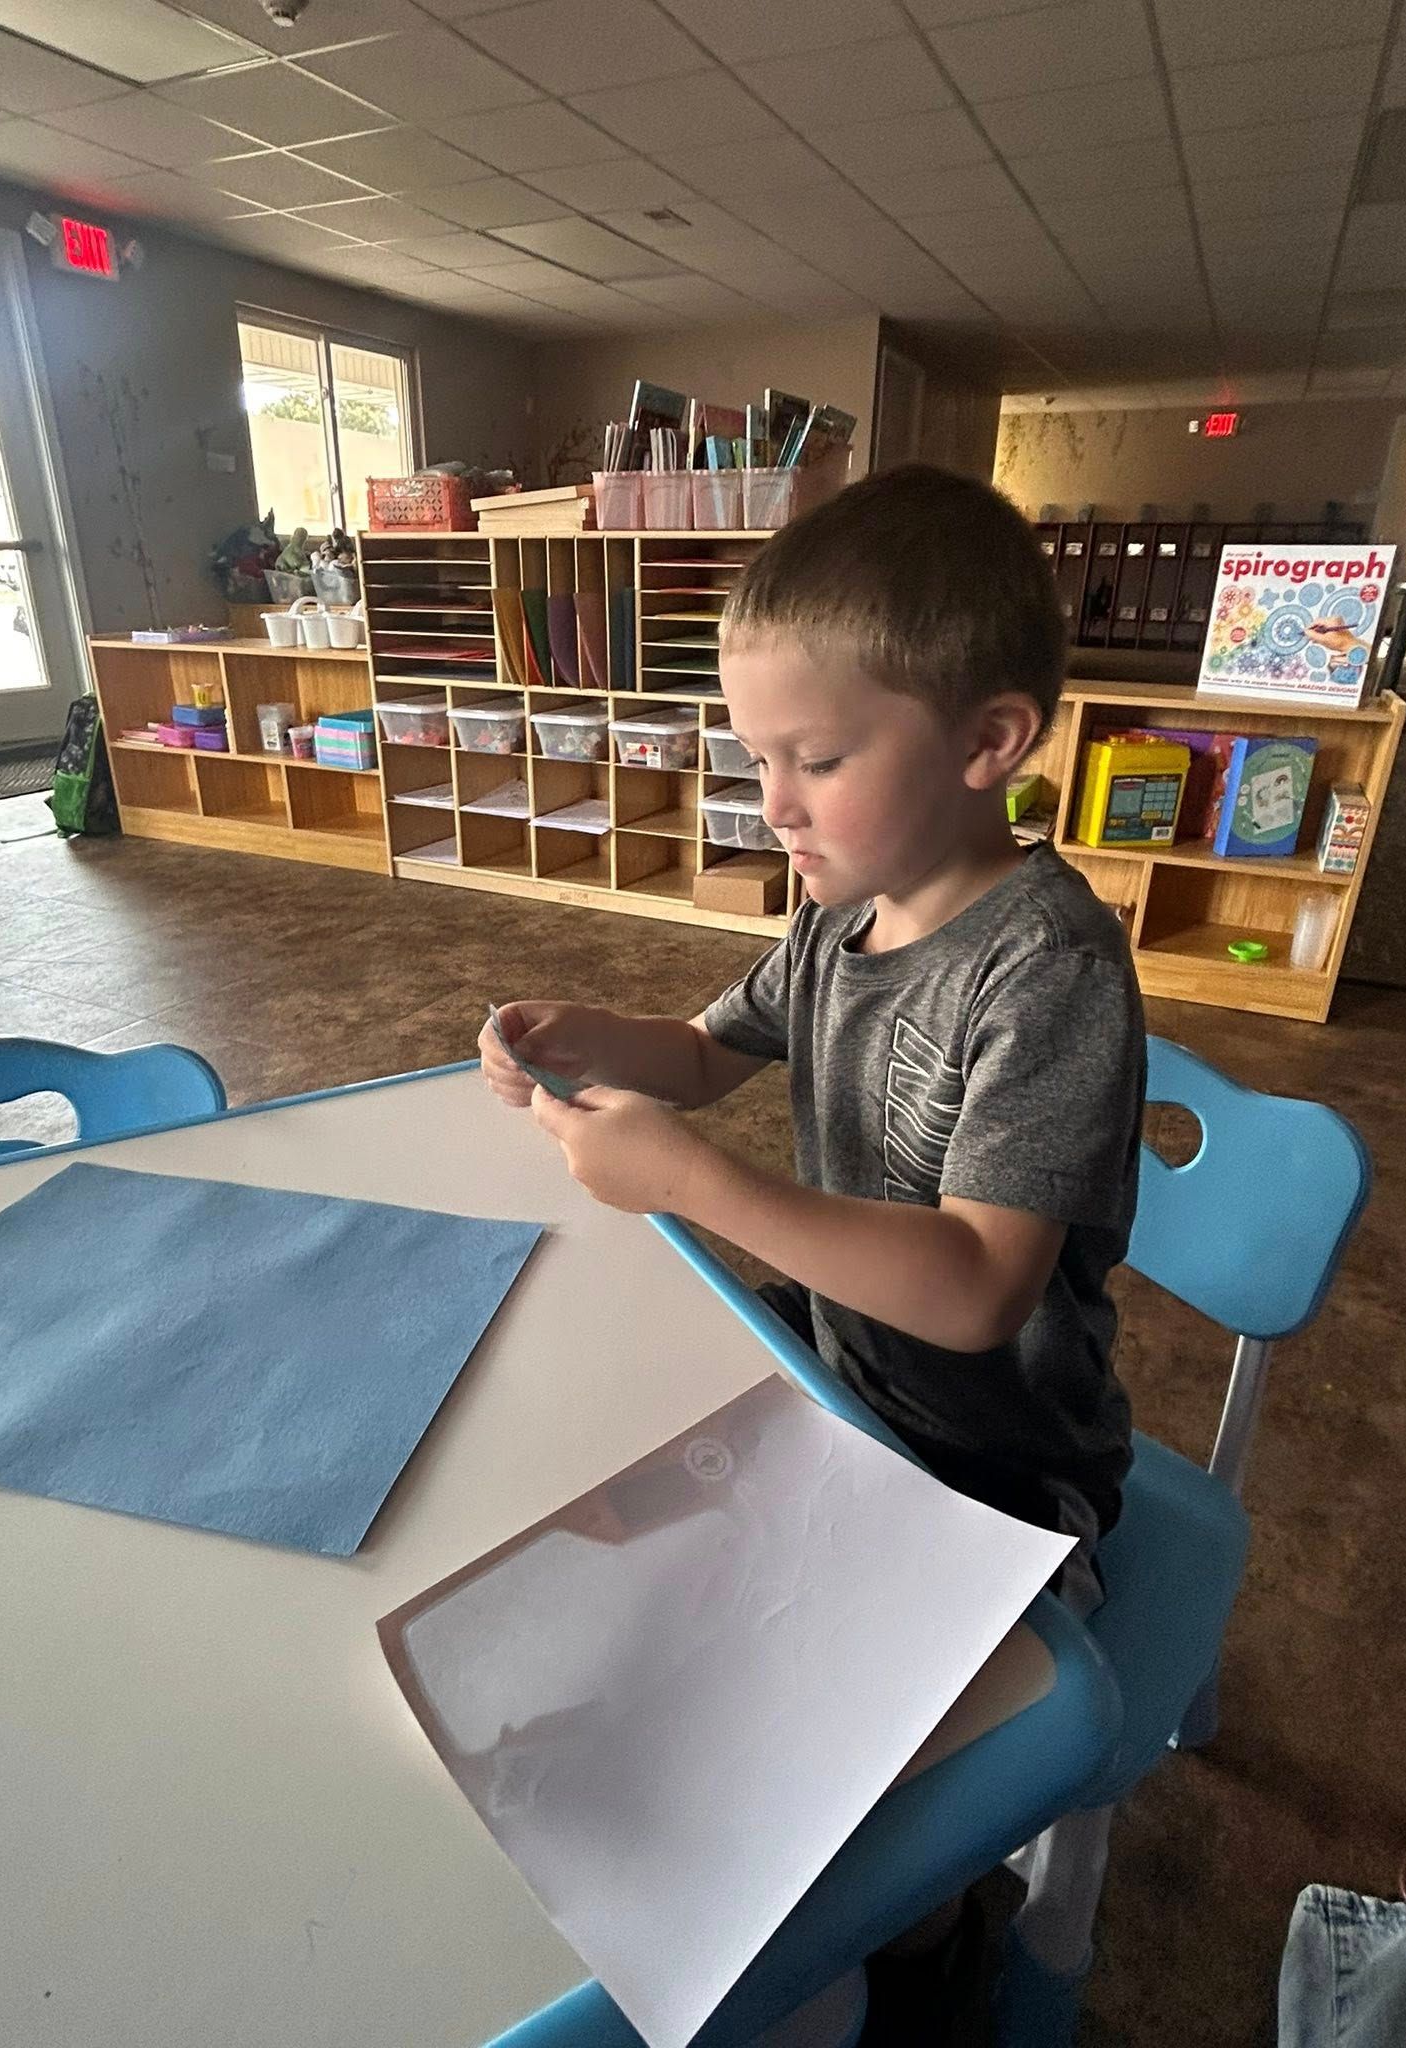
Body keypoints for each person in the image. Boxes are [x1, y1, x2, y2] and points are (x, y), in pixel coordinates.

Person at [478, 462, 1145, 2040]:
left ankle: (936, 1933)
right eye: (756, 756)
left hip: (998, 1472)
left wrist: (691, 1181)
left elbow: (980, 1291)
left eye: (819, 759)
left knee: (820, 1797)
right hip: (833, 1388)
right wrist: (596, 1037)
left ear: (990, 744)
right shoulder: (837, 916)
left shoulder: (1048, 971)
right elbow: (710, 1050)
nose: (772, 803)